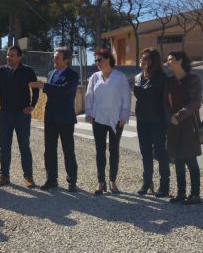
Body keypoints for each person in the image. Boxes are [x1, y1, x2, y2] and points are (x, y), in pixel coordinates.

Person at [29, 47, 79, 192]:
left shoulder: (73, 75)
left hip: (65, 118)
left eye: (57, 58)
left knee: (68, 150)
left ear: (66, 60)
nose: (54, 60)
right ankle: (51, 180)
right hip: (50, 117)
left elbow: (64, 91)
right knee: (49, 150)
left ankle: (72, 181)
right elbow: (51, 91)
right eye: (54, 57)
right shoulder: (51, 74)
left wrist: (43, 85)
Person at [0, 45, 39, 188]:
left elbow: (35, 88)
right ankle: (4, 176)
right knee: (4, 147)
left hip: (22, 116)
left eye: (12, 55)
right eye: (7, 55)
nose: (9, 57)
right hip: (5, 114)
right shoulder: (1, 71)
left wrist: (32, 105)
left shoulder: (28, 71)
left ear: (19, 57)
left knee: (24, 146)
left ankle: (29, 177)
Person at [84, 49, 130, 195]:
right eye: (96, 60)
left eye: (100, 60)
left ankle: (112, 181)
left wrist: (124, 116)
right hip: (98, 118)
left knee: (114, 150)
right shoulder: (94, 77)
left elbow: (126, 98)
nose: (97, 63)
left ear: (108, 59)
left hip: (116, 119)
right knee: (100, 150)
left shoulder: (120, 77)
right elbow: (89, 96)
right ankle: (101, 182)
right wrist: (89, 113)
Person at [165, 51, 203, 205]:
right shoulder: (169, 81)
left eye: (170, 60)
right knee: (178, 160)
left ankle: (195, 195)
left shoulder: (193, 79)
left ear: (180, 61)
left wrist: (178, 116)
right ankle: (181, 193)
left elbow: (195, 102)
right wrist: (170, 117)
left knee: (191, 160)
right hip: (173, 125)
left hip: (188, 125)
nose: (168, 63)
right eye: (167, 60)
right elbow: (165, 103)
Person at [133, 48, 170, 197]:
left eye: (146, 58)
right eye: (141, 57)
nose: (142, 60)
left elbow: (166, 102)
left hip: (158, 122)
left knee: (161, 154)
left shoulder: (162, 78)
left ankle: (164, 185)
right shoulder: (137, 77)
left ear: (154, 61)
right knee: (145, 154)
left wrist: (168, 121)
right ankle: (147, 182)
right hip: (142, 122)